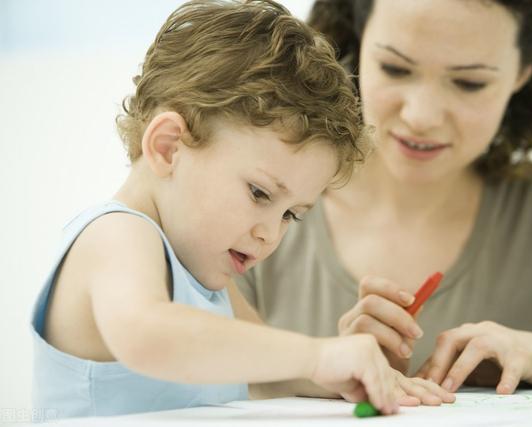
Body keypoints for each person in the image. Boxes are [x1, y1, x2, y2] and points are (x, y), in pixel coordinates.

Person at [30, 0, 455, 419]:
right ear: (168, 146)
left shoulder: (203, 276)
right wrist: (317, 356)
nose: (270, 234)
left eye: (292, 215)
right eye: (259, 193)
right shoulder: (116, 236)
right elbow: (148, 337)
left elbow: (265, 376)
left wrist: (346, 370)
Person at [236, 0, 532, 396]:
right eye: (395, 68)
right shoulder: (262, 193)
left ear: (523, 74)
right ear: (356, 45)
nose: (421, 116)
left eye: (469, 82)